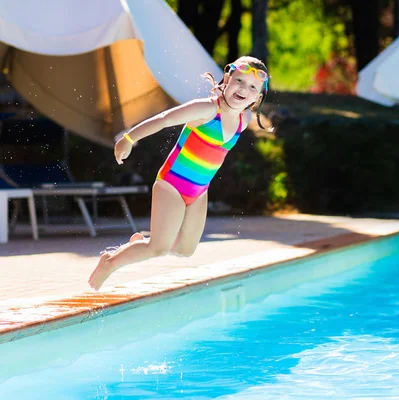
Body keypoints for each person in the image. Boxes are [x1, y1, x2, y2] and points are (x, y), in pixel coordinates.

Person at [88, 56, 270, 290]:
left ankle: (141, 243)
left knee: (186, 250)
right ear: (227, 79)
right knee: (159, 248)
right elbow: (165, 119)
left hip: (199, 191)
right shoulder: (206, 109)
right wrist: (129, 138)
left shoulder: (243, 121)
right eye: (239, 81)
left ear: (258, 97)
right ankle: (110, 263)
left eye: (252, 87)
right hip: (171, 185)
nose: (243, 89)